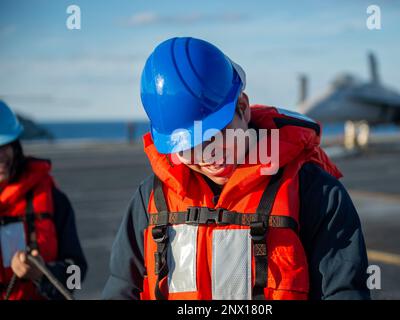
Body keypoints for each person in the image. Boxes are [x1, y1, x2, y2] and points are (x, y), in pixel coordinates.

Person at [103, 37, 370, 300]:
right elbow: (122, 287)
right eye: (186, 146)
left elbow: (344, 292)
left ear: (242, 107)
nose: (207, 154)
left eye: (215, 134)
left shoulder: (315, 193)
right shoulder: (150, 198)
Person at [0, 101, 87, 300]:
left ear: (15, 146)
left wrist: (44, 274)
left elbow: (78, 276)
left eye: (4, 146)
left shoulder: (54, 200)